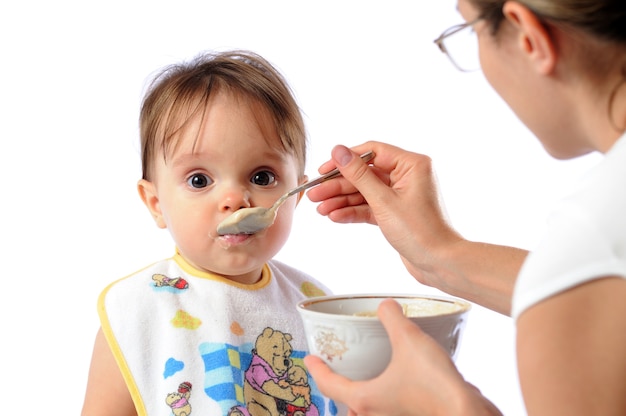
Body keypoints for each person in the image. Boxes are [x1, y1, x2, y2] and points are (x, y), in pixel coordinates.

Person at [304, 0, 626, 414]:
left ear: (529, 37)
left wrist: (453, 407)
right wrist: (438, 255)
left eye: (470, 30)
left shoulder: (592, 236)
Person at [81, 50, 341, 416]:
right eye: (199, 180)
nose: (235, 199)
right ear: (156, 203)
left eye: (262, 177)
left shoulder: (315, 306)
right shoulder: (138, 310)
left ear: (295, 194)